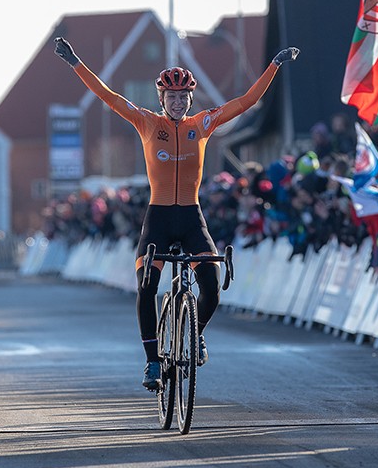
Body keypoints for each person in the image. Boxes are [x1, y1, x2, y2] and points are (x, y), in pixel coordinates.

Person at [53, 36, 299, 390]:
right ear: (162, 99)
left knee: (212, 289)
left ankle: (194, 334)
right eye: (172, 97)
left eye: (184, 96)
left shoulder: (203, 123)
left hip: (191, 218)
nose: (179, 101)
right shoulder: (147, 123)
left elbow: (248, 101)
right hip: (158, 220)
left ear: (190, 98)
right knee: (146, 286)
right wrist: (75, 62)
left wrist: (274, 64)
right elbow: (107, 96)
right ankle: (153, 362)